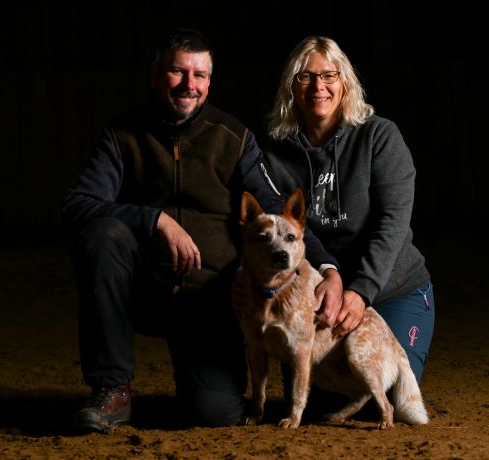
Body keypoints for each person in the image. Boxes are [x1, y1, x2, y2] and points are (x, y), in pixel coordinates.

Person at [61, 29, 338, 433]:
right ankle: (111, 388)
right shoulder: (122, 136)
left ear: (210, 81)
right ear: (156, 74)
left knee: (216, 413)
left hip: (211, 298)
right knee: (103, 236)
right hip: (143, 290)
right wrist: (155, 220)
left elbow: (279, 214)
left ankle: (199, 381)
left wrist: (328, 268)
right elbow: (77, 205)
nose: (189, 85)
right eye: (178, 72)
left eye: (200, 75)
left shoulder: (235, 138)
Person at [262, 36, 435, 406]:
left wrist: (360, 291)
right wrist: (325, 279)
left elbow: (392, 223)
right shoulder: (275, 156)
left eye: (329, 75)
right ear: (291, 87)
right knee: (322, 403)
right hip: (323, 294)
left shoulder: (380, 136)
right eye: (306, 77)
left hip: (391, 290)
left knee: (385, 395)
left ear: (345, 82)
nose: (318, 86)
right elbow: (281, 236)